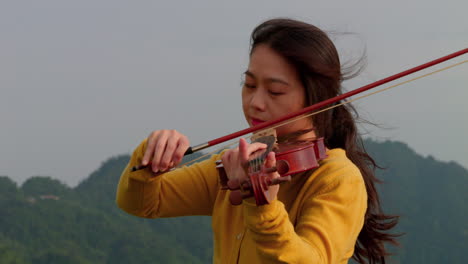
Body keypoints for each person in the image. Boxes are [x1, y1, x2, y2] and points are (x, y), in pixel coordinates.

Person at [116, 18, 398, 264]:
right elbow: (142, 203)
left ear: (317, 99)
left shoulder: (337, 179)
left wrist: (262, 206)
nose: (255, 102)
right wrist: (150, 160)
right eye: (249, 85)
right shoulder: (235, 164)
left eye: (274, 91)